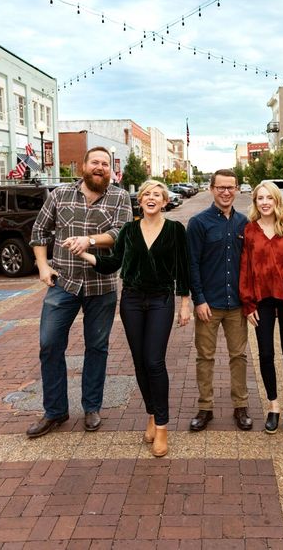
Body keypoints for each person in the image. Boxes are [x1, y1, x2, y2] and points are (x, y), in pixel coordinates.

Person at [76, 180, 191, 457]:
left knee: (154, 361)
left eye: (157, 195)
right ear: (139, 201)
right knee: (140, 362)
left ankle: (162, 426)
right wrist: (87, 254)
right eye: (146, 194)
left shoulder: (175, 230)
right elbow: (112, 264)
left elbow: (183, 268)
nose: (151, 198)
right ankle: (151, 414)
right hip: (131, 301)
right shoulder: (128, 230)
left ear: (165, 202)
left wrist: (184, 302)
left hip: (161, 300)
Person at [26, 147, 132, 439]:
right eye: (95, 162)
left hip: (102, 286)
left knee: (97, 348)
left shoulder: (120, 197)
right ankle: (55, 411)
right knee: (49, 345)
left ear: (110, 170)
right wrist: (42, 267)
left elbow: (120, 234)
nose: (100, 167)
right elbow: (39, 232)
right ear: (83, 166)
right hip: (63, 283)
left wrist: (89, 240)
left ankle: (92, 407)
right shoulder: (60, 195)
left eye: (105, 164)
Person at [239, 182, 283, 434]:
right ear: (255, 202)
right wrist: (248, 304)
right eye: (260, 198)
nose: (265, 202)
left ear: (277, 200)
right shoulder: (249, 231)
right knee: (266, 353)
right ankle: (273, 406)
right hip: (262, 300)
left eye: (269, 197)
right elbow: (246, 268)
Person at [187, 169, 252, 432]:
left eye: (231, 187)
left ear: (237, 189)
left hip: (237, 304)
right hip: (209, 305)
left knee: (239, 356)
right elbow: (192, 263)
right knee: (205, 357)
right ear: (212, 189)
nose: (226, 192)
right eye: (221, 187)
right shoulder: (198, 223)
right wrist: (198, 300)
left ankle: (241, 407)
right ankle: (205, 408)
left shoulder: (244, 223)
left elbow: (251, 264)